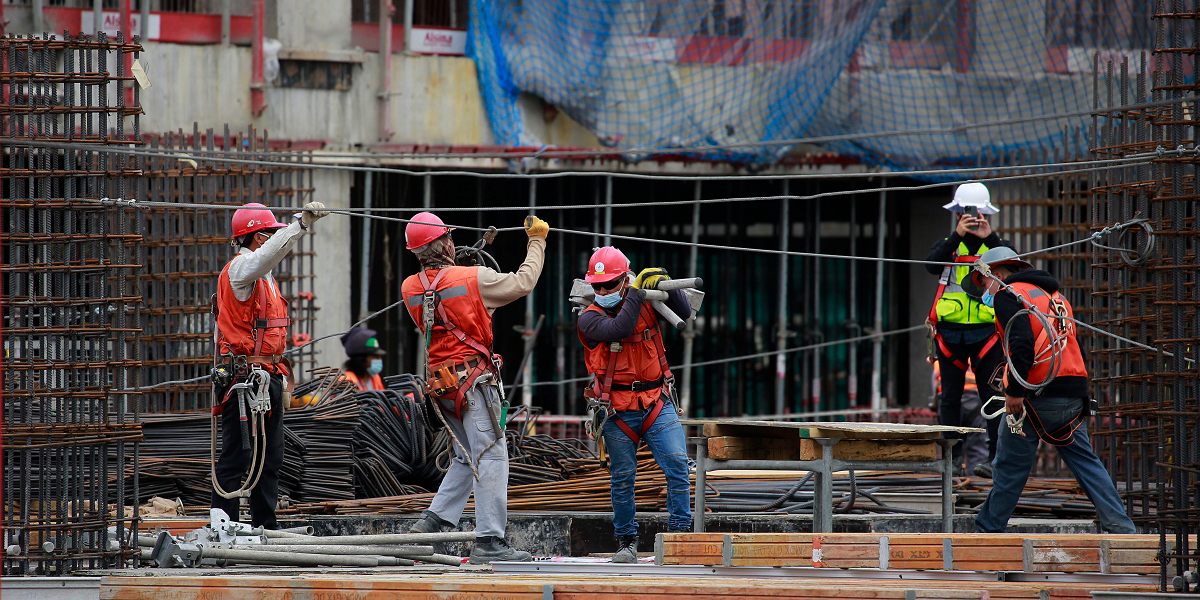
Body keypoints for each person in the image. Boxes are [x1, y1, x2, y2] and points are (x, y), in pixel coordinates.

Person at [400, 211, 547, 564]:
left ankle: (433, 520)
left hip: (442, 389)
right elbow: (523, 282)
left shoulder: (410, 288)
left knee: (468, 456)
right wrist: (537, 241)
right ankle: (489, 541)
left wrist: (455, 270)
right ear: (442, 242)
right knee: (492, 456)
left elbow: (442, 291)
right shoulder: (474, 278)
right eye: (447, 237)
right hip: (474, 384)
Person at [967, 247, 1136, 534]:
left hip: (1034, 396)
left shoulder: (1009, 295)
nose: (984, 291)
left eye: (983, 283)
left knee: (1009, 468)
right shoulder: (1055, 298)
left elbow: (1020, 342)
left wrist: (1015, 392)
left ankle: (987, 530)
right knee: (1087, 464)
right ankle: (1121, 526)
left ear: (995, 274)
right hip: (1071, 393)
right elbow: (1071, 345)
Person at [212, 200, 329, 529]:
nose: (271, 241)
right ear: (258, 238)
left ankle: (265, 527)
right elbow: (266, 258)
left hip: (270, 377)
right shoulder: (241, 269)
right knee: (236, 457)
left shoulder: (265, 278)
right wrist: (299, 225)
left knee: (270, 457)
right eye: (270, 234)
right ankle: (224, 528)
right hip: (244, 378)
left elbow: (268, 260)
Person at [577, 247, 692, 564]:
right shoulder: (589, 319)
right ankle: (627, 542)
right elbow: (621, 329)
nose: (601, 292)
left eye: (608, 285)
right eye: (596, 286)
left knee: (678, 466)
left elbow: (685, 314)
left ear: (624, 279)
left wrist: (666, 280)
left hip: (656, 401)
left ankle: (679, 536)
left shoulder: (645, 302)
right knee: (623, 478)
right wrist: (636, 294)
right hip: (616, 409)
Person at [925, 182, 1011, 477]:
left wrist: (992, 237)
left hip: (986, 333)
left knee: (991, 394)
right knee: (949, 396)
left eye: (976, 212)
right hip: (950, 334)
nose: (972, 217)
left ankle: (994, 458)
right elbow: (930, 265)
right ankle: (951, 459)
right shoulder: (949, 244)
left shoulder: (996, 247)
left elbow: (1016, 270)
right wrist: (957, 234)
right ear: (958, 213)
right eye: (966, 212)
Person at [930, 361, 989, 475]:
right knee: (978, 452)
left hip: (948, 403)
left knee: (950, 451)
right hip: (974, 399)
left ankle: (952, 484)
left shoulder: (943, 354)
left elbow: (935, 384)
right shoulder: (979, 351)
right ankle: (974, 483)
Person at [340, 326, 387, 391]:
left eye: (379, 356)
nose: (379, 359)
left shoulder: (375, 378)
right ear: (362, 359)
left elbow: (384, 400)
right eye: (375, 356)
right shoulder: (346, 382)